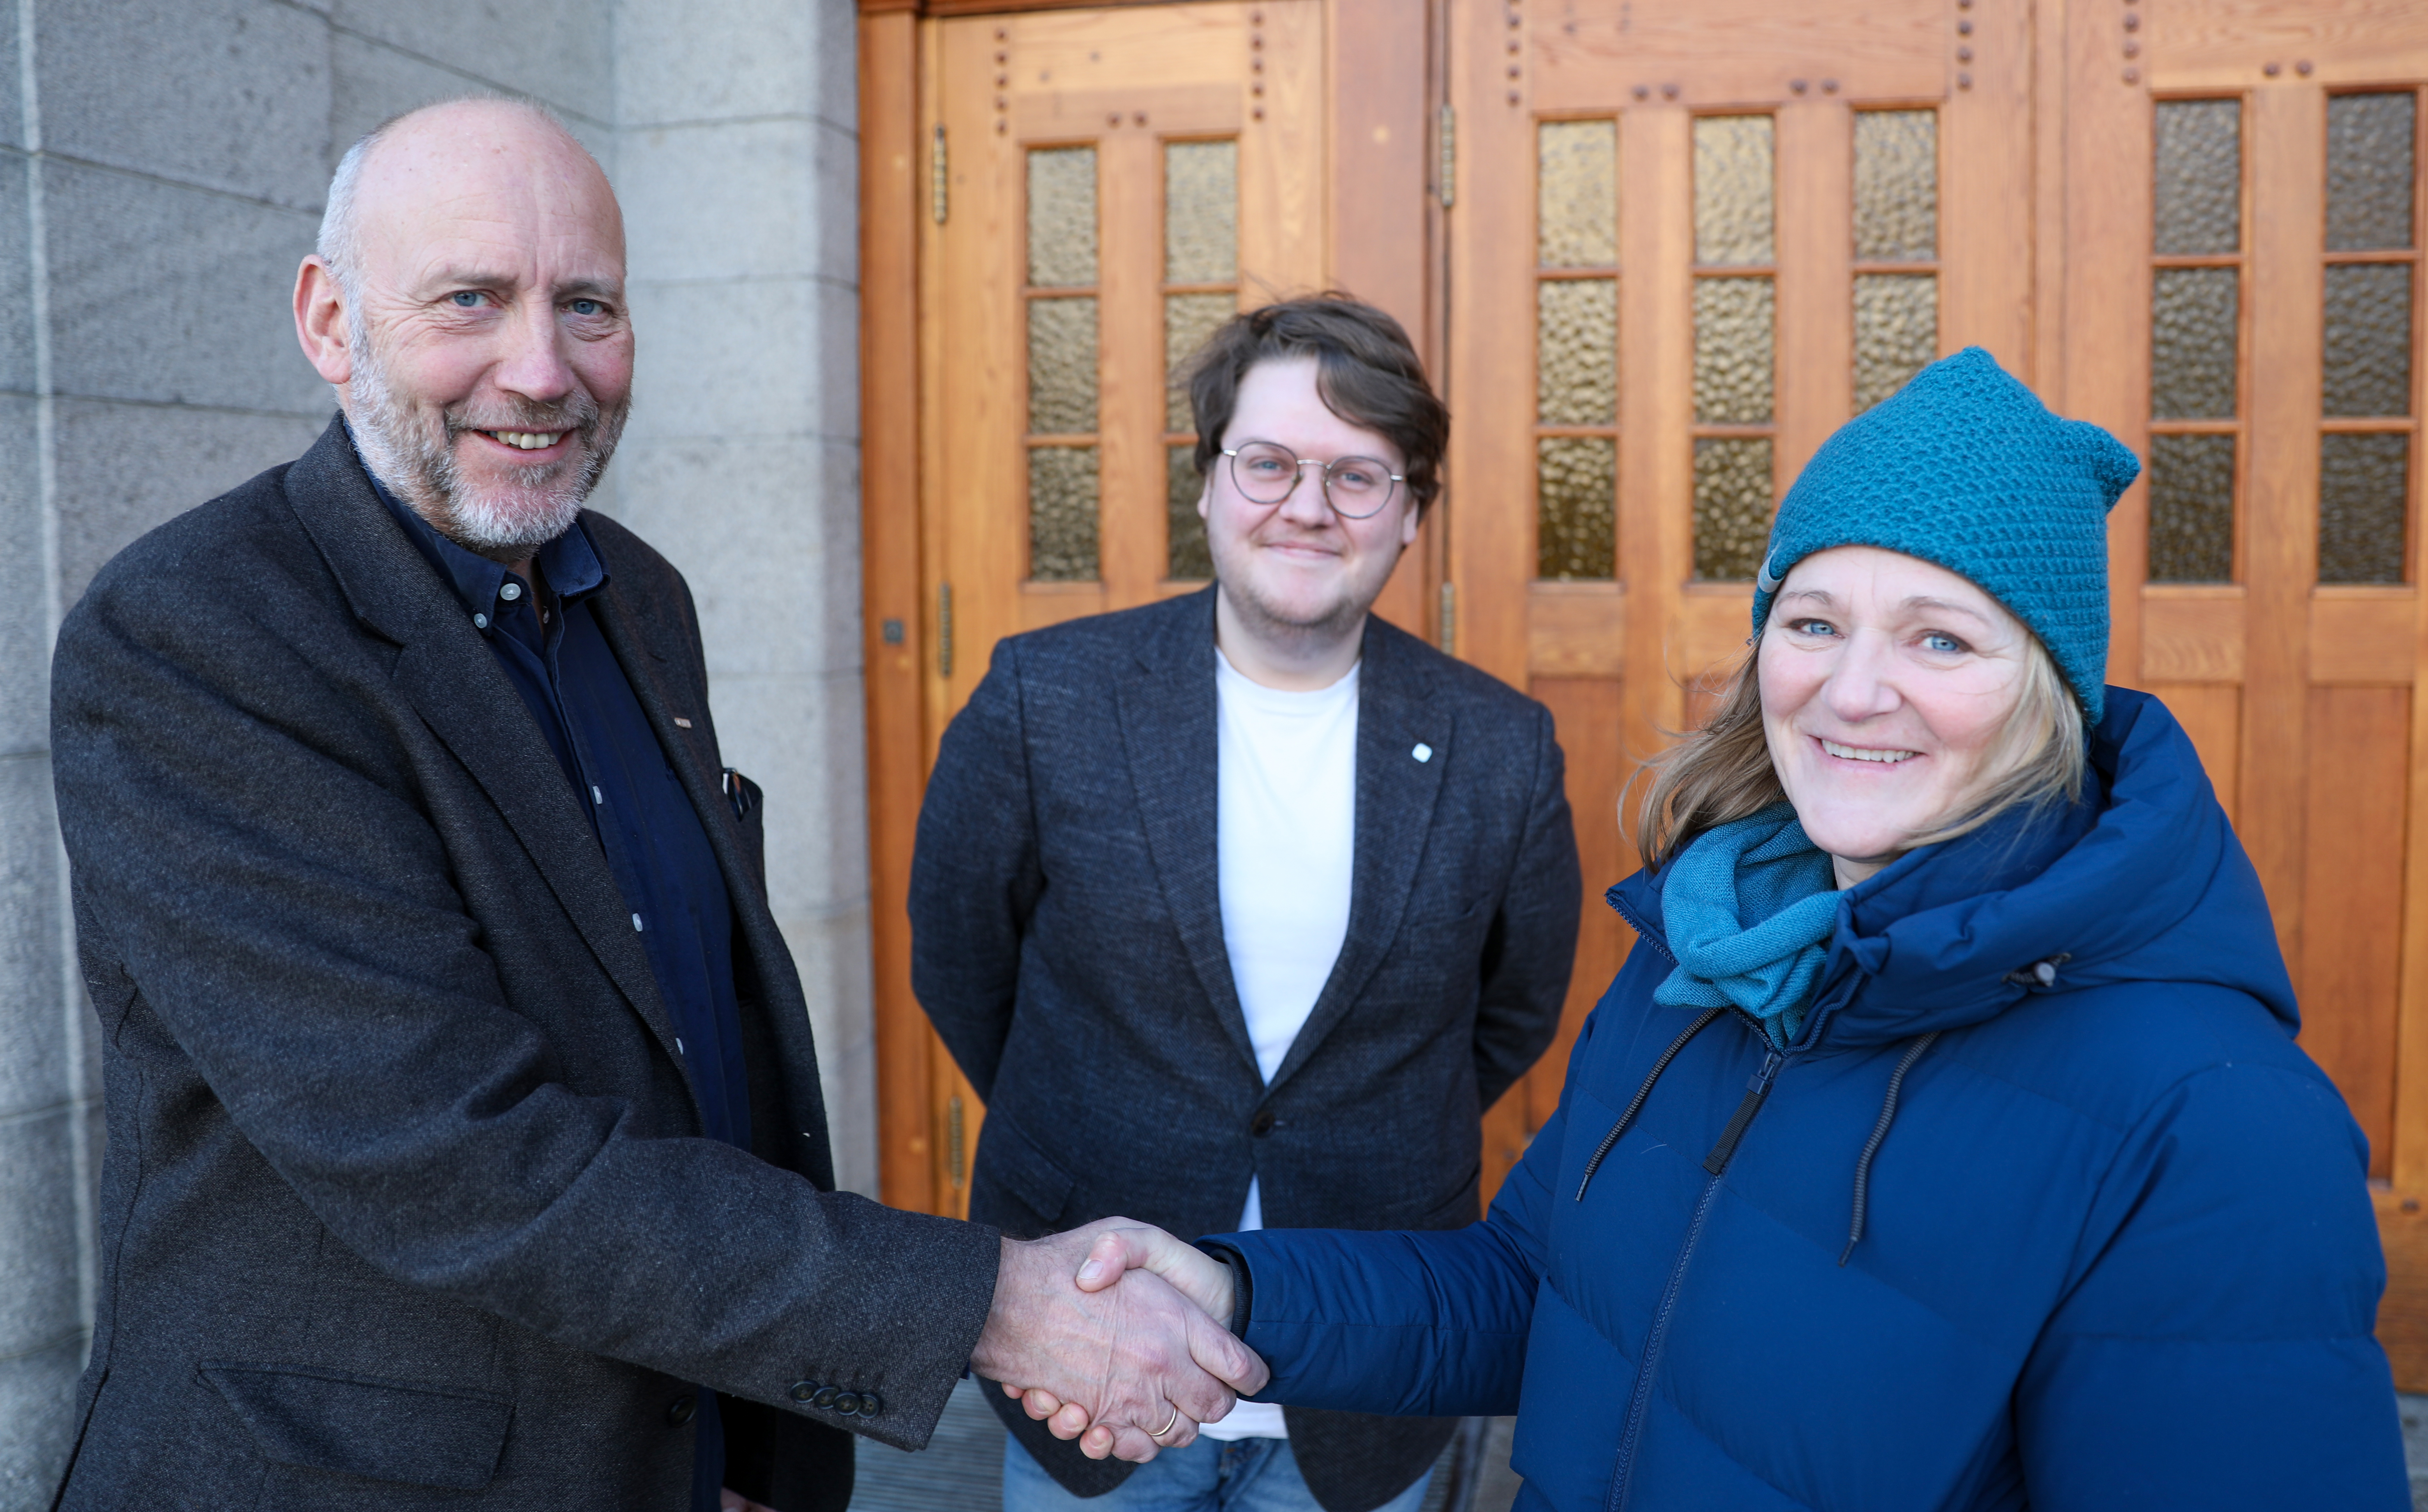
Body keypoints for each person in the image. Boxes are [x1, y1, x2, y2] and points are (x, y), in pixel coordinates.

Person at [46, 97, 1259, 1512]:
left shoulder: (634, 593)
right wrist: (995, 1302)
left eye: (589, 305)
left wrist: (737, 1442)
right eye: (471, 300)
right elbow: (461, 1156)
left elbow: (695, 1047)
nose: (543, 368)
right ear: (330, 322)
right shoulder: (201, 635)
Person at [1020, 348, 2413, 1509]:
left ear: (2049, 689)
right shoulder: (1715, 950)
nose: (1854, 691)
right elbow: (1536, 1289)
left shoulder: (2212, 1122)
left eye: (1942, 638)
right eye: (1812, 621)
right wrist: (1235, 1286)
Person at [909, 296, 1581, 1512]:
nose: (1307, 506)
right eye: (1268, 462)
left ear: (1413, 511)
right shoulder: (1044, 699)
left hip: (1366, 1355)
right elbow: (962, 964)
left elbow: (1513, 1013)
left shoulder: (1503, 748)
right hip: (1096, 1325)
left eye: (1359, 475)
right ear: (1210, 482)